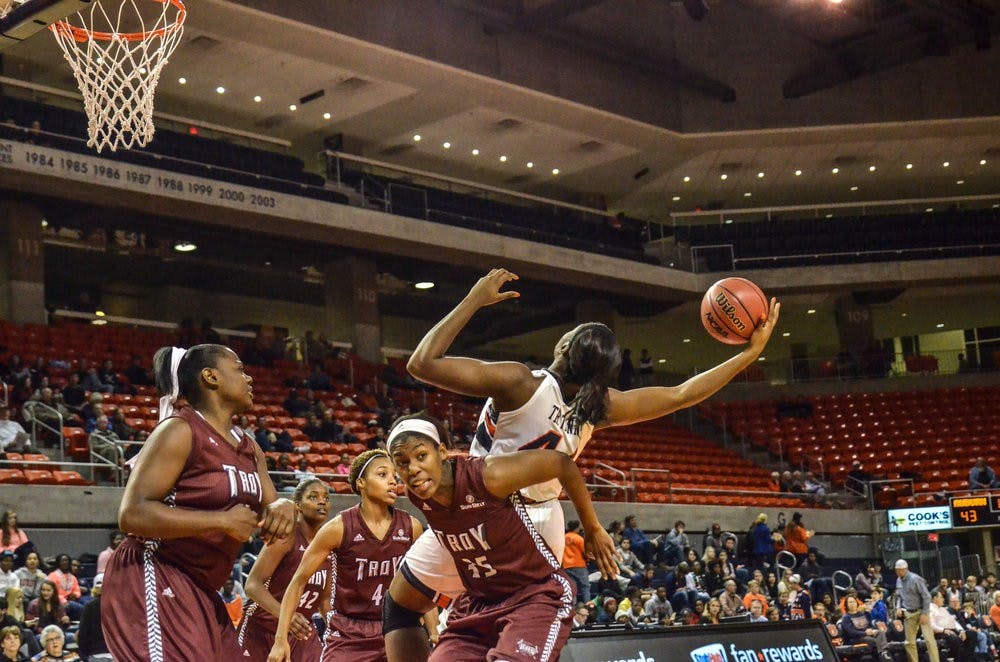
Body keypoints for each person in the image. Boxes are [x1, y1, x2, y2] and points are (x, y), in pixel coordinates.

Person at [398, 268, 779, 622]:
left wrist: (473, 299)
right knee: (502, 625)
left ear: (565, 347)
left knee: (411, 608)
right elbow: (682, 394)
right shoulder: (599, 408)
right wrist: (749, 354)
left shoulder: (520, 383)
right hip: (544, 520)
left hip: (485, 510)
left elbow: (422, 363)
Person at [100, 344, 296, 661]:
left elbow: (272, 513)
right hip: (156, 571)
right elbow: (132, 513)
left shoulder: (250, 447)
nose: (249, 378)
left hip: (203, 588)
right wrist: (220, 521)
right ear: (210, 377)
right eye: (239, 369)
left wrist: (285, 507)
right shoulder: (180, 430)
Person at [381, 412, 619, 662]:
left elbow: (561, 463)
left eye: (421, 456)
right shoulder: (417, 494)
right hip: (479, 604)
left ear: (441, 452)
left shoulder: (488, 475)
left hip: (534, 595)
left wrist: (593, 528)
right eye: (403, 463)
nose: (413, 469)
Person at [267, 451, 427, 662]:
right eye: (382, 474)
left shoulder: (411, 527)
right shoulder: (338, 527)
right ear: (361, 483)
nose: (392, 481)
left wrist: (433, 631)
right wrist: (280, 639)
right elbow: (298, 581)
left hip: (396, 628)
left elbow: (422, 584)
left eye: (394, 476)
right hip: (348, 631)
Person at [238, 477, 329, 661]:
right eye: (313, 497)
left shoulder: (329, 544)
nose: (322, 501)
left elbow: (325, 600)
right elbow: (252, 585)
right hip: (262, 628)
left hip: (302, 632)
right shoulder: (286, 536)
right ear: (298, 505)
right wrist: (286, 616)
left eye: (326, 498)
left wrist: (340, 633)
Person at [894, 559, 939, 662]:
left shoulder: (915, 579)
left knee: (929, 640)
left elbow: (927, 596)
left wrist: (925, 613)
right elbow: (899, 596)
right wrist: (898, 607)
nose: (899, 572)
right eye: (897, 570)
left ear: (906, 569)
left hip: (921, 611)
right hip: (909, 612)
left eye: (901, 570)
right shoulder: (898, 580)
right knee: (909, 643)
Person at [839, 595, 889, 660]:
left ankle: (884, 653)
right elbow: (851, 633)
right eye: (850, 602)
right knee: (873, 640)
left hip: (865, 635)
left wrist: (871, 630)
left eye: (854, 602)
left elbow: (867, 625)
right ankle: (882, 657)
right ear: (846, 605)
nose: (853, 604)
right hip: (854, 639)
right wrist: (865, 633)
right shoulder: (846, 617)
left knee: (880, 632)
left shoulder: (861, 614)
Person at [76, 573, 109, 661]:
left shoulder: (90, 606)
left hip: (96, 654)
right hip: (116, 653)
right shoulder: (119, 606)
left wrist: (83, 655)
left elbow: (83, 633)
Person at [562, 521, 589, 607]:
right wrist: (589, 559)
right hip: (579, 565)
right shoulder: (578, 538)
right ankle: (588, 605)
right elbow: (585, 552)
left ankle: (572, 607)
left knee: (572, 587)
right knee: (585, 587)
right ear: (576, 528)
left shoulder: (563, 538)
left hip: (566, 566)